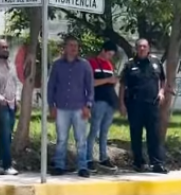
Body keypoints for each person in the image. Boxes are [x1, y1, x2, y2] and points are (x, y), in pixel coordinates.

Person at [48, 35, 94, 178]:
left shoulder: (85, 65)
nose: (74, 48)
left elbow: (90, 87)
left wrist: (88, 105)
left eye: (76, 45)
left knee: (81, 139)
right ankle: (59, 165)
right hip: (61, 108)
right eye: (71, 45)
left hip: (80, 108)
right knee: (61, 139)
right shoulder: (57, 65)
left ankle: (82, 167)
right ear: (65, 48)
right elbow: (51, 87)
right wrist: (51, 106)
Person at [119, 39, 168, 173]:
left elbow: (162, 79)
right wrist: (122, 104)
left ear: (148, 48)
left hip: (152, 105)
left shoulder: (156, 63)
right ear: (136, 48)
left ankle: (157, 163)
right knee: (136, 135)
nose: (142, 48)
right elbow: (123, 85)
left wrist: (161, 92)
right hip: (134, 105)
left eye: (144, 46)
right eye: (139, 46)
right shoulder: (130, 64)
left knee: (154, 135)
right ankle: (138, 163)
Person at [87, 40, 119, 172]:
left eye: (112, 55)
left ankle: (103, 157)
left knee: (105, 131)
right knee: (94, 130)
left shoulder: (110, 64)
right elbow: (90, 83)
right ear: (103, 50)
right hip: (98, 100)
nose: (110, 57)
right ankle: (88, 158)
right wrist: (107, 80)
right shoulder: (91, 63)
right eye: (109, 54)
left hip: (110, 100)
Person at [0, 39, 19, 176]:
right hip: (1, 105)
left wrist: (17, 98)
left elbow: (15, 83)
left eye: (7, 47)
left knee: (8, 136)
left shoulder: (11, 65)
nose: (6, 49)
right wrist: (0, 98)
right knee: (5, 135)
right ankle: (7, 165)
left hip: (12, 105)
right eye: (2, 47)